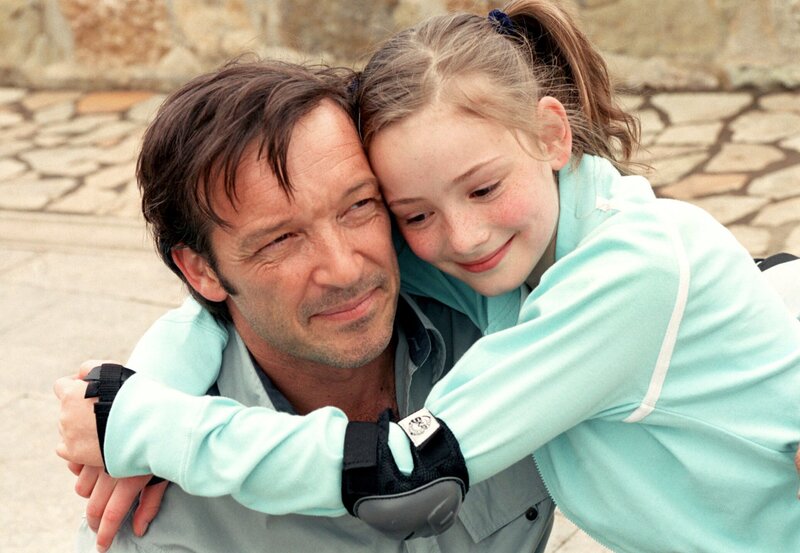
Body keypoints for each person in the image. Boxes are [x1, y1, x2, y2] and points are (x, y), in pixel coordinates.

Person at [57, 1, 800, 552]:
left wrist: (150, 425)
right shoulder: (494, 253)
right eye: (411, 213)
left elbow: (409, 473)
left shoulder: (627, 266)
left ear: (551, 133)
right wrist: (137, 393)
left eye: (483, 187)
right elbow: (233, 301)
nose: (462, 236)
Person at [54, 59, 556, 552]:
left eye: (358, 206)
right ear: (202, 271)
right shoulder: (155, 519)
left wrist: (142, 419)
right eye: (281, 240)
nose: (345, 270)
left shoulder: (507, 315)